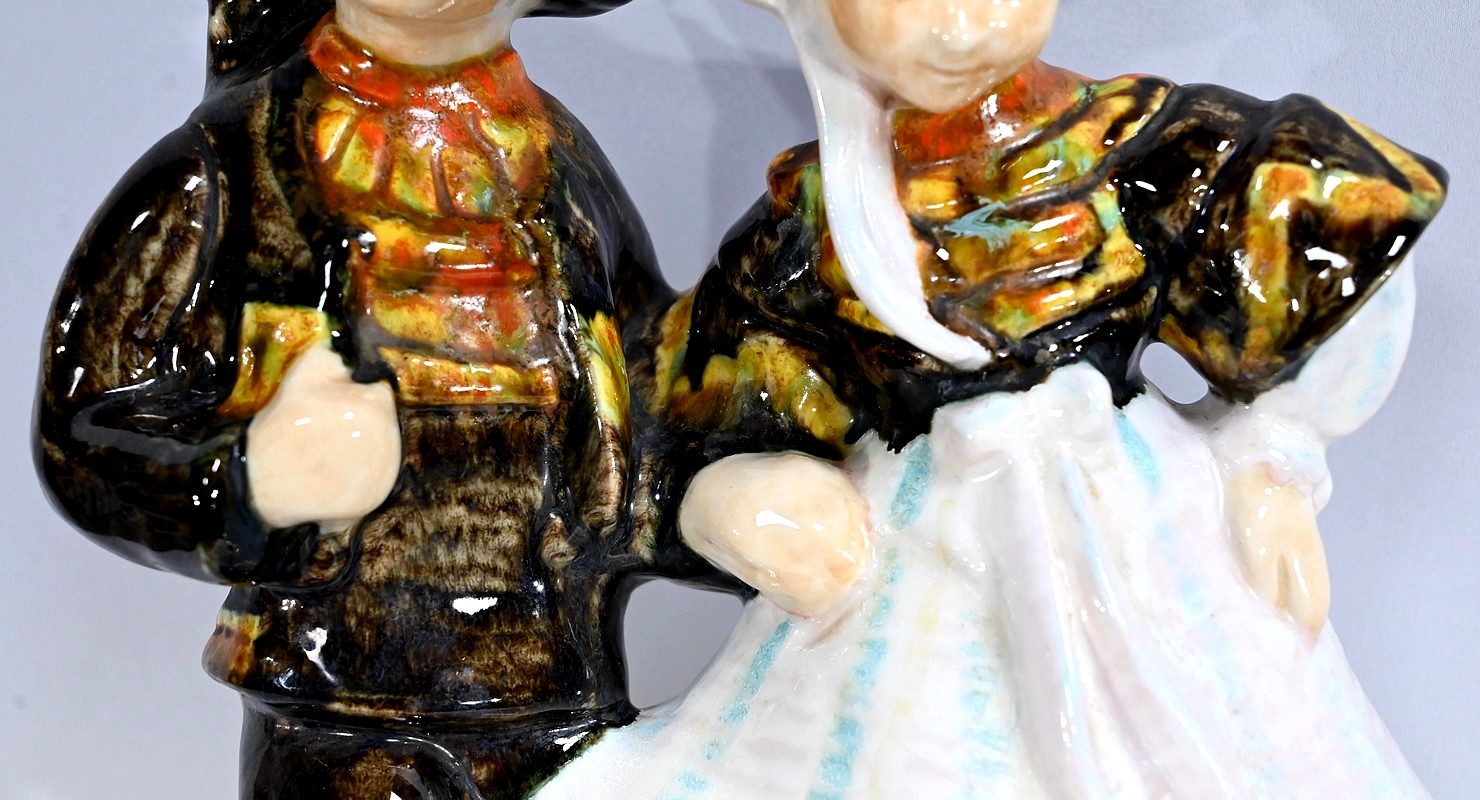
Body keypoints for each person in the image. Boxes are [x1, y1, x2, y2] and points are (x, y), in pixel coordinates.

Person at [534, 0, 1448, 797]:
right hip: (926, 555)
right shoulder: (815, 226)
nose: (963, 24)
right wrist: (734, 497)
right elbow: (688, 408)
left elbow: (1336, 240)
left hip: (1141, 521)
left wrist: (1277, 455)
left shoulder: (1133, 148)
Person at [35, 0, 718, 797]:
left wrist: (719, 501)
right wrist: (250, 480)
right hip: (335, 702)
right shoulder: (232, 164)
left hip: (553, 687)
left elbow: (643, 394)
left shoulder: (560, 164)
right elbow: (84, 431)